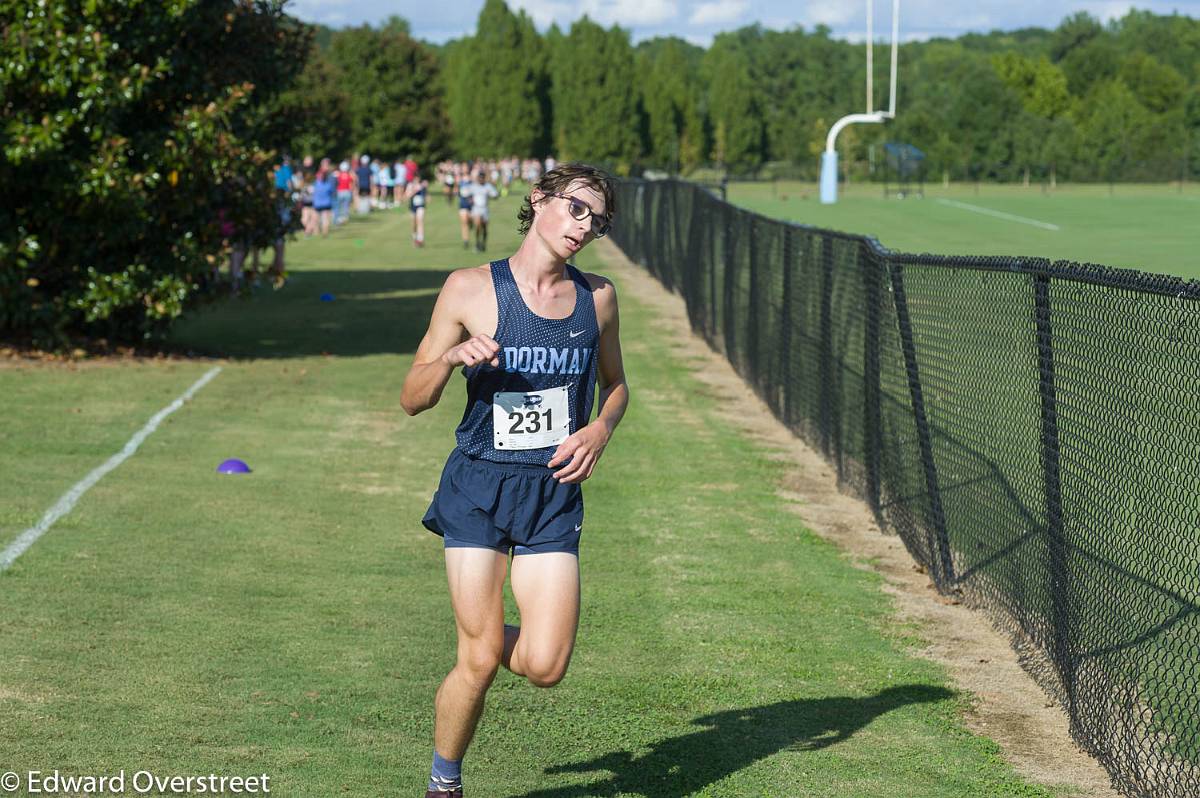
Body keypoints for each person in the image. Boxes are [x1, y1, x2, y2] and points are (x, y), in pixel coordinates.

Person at [399, 163, 628, 798]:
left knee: (547, 665)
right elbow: (412, 397)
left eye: (598, 219)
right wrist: (449, 359)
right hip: (478, 484)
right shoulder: (471, 289)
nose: (585, 227)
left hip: (553, 492)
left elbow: (617, 386)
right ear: (540, 200)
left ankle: (478, 628)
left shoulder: (598, 298)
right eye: (577, 209)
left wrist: (600, 430)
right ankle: (444, 782)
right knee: (476, 662)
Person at [465, 169, 500, 252]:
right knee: (477, 225)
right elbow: (466, 194)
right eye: (479, 178)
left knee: (484, 228)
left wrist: (494, 195)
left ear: (484, 178)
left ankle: (483, 244)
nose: (481, 179)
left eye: (482, 178)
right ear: (477, 178)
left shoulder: (488, 186)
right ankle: (477, 243)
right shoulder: (473, 186)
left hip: (484, 209)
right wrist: (469, 199)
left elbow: (495, 195)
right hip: (476, 209)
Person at [408, 171, 429, 247]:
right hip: (412, 206)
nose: (417, 180)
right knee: (414, 223)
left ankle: (421, 239)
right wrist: (414, 190)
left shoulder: (422, 185)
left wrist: (426, 196)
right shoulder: (410, 185)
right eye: (415, 178)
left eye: (418, 178)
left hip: (421, 206)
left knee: (420, 220)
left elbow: (427, 196)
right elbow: (407, 196)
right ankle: (414, 238)